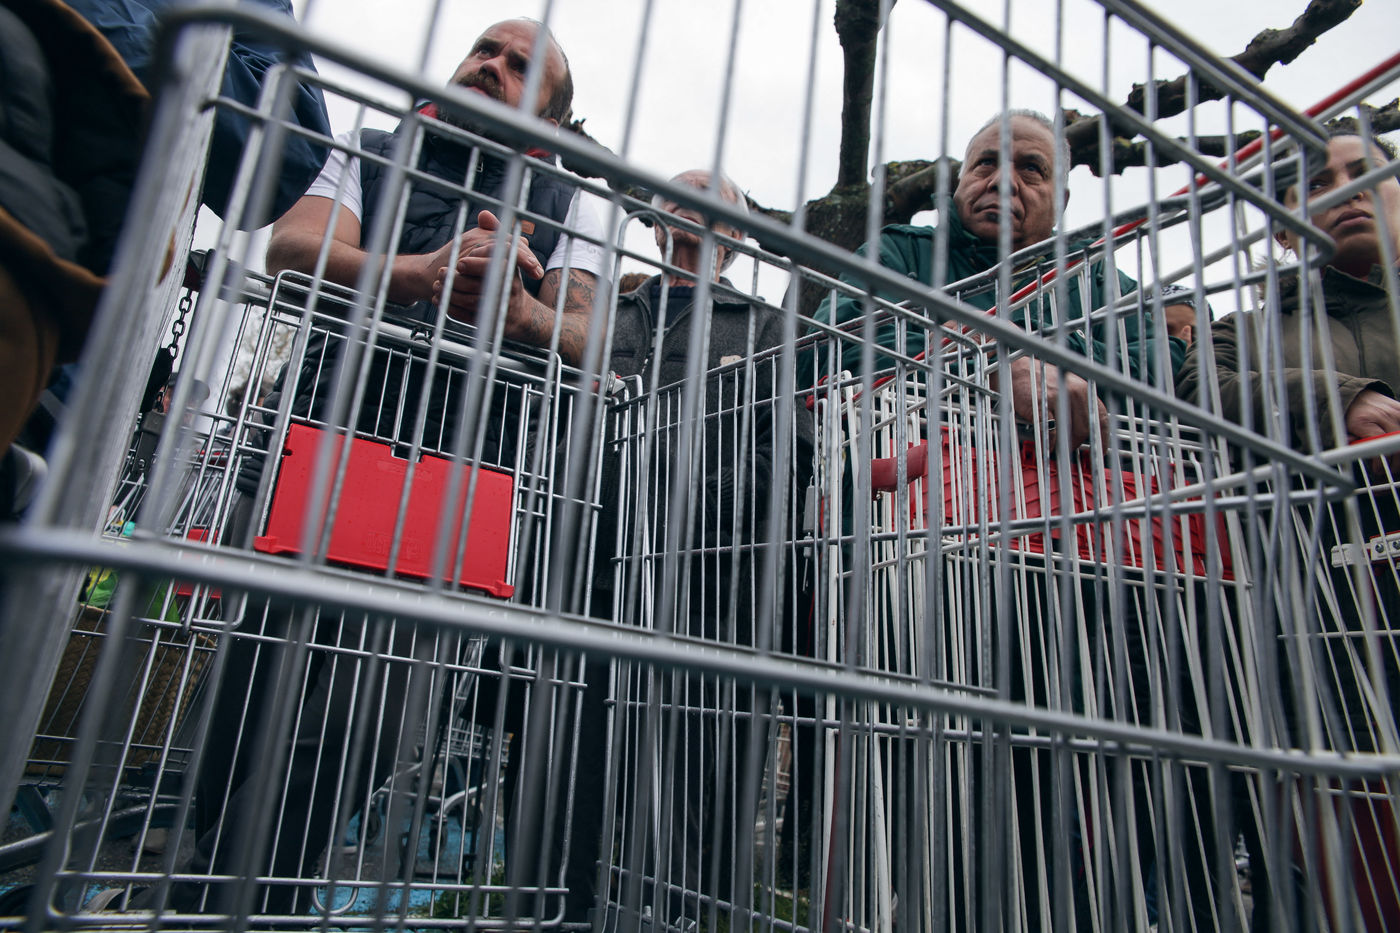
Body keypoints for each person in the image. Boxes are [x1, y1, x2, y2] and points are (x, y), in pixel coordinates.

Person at [111, 19, 611, 926]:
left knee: (372, 709)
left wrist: (520, 312)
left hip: (461, 475)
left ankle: (246, 888)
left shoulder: (575, 202)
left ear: (549, 118)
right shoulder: (373, 146)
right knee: (251, 680)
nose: (490, 67)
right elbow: (294, 248)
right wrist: (423, 272)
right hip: (319, 438)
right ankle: (221, 883)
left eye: (520, 66)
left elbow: (585, 333)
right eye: (485, 50)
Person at [1175, 122, 1400, 932]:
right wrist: (1342, 399)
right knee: (1361, 859)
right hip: (1324, 621)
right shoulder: (1243, 330)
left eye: (1363, 171)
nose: (1344, 190)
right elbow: (1202, 393)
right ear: (1281, 226)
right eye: (1315, 182)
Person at [605, 170, 813, 927]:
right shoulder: (607, 311)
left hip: (714, 586)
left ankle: (687, 913)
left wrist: (684, 507)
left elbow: (786, 452)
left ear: (737, 237)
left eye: (712, 197)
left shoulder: (765, 327)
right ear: (654, 218)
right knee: (597, 760)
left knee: (702, 777)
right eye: (677, 192)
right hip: (602, 572)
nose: (689, 202)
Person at [812, 109, 1191, 449]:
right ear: (960, 182)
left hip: (1077, 494)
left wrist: (1037, 352)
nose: (1003, 181)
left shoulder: (1096, 277)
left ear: (1060, 201)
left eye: (1031, 169)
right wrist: (989, 364)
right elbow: (827, 349)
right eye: (985, 163)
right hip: (908, 491)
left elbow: (1161, 365)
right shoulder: (899, 252)